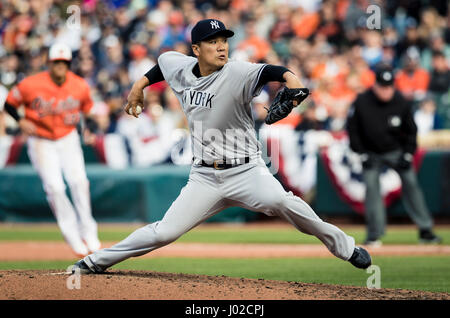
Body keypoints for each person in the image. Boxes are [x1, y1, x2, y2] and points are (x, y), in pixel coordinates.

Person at [72, 19, 371, 274]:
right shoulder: (180, 67)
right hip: (204, 178)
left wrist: (292, 83)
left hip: (247, 172)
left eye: (224, 40)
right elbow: (162, 65)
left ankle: (345, 247)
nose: (221, 47)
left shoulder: (237, 72)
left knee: (283, 202)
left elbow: (273, 71)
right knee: (164, 232)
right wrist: (139, 86)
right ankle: (94, 262)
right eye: (212, 42)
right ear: (196, 50)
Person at [4, 43, 101, 257]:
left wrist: (90, 129)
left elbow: (89, 113)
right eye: (56, 62)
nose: (60, 66)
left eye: (63, 62)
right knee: (55, 187)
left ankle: (89, 231)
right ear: (49, 63)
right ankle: (73, 235)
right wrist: (20, 120)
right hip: (41, 140)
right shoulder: (31, 84)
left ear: (68, 64)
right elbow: (9, 104)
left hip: (68, 138)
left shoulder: (80, 85)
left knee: (79, 182)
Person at [346, 64, 442, 246]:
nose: (386, 91)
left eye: (389, 87)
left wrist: (407, 154)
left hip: (395, 150)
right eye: (382, 87)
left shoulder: (401, 101)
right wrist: (361, 153)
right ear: (375, 85)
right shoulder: (362, 101)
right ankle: (374, 234)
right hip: (371, 152)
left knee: (411, 184)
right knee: (372, 188)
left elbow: (411, 131)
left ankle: (425, 230)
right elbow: (353, 130)